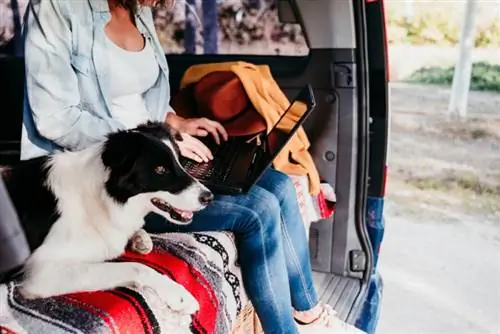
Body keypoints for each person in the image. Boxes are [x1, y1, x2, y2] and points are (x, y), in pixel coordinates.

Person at [21, 0, 363, 333]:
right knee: (258, 209)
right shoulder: (57, 7)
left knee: (278, 184)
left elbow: (138, 97)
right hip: (108, 178)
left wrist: (175, 125)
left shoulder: (140, 11)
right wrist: (154, 144)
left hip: (152, 151)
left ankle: (311, 316)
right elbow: (57, 120)